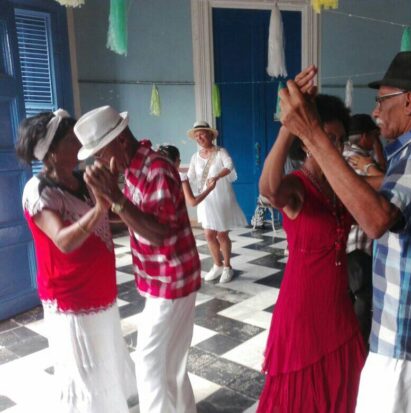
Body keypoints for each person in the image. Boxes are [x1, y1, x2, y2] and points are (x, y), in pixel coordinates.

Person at [278, 52, 411, 413]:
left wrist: (311, 132)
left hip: (407, 334)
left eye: (382, 100)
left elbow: (376, 220)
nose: (377, 111)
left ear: (410, 101)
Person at [74, 106, 201, 413]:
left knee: (148, 362)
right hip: (165, 278)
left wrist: (116, 199)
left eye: (99, 154)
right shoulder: (134, 168)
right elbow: (135, 219)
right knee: (172, 365)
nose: (98, 162)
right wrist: (105, 205)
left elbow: (158, 233)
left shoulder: (155, 168)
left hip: (172, 280)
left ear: (118, 141)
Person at [16, 109, 136, 412]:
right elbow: (63, 241)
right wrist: (100, 208)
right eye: (72, 142)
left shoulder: (83, 178)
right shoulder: (39, 190)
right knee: (84, 373)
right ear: (51, 152)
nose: (79, 148)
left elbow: (108, 218)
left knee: (105, 365)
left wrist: (125, 210)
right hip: (70, 299)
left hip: (101, 293)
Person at [258, 94, 366, 412]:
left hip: (338, 303)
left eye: (340, 139)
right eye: (327, 137)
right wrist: (287, 127)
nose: (335, 145)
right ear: (306, 142)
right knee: (300, 395)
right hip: (302, 307)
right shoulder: (297, 185)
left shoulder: (341, 184)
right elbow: (268, 189)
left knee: (343, 386)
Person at [342, 114, 386, 347]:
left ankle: (348, 339)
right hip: (359, 240)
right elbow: (386, 183)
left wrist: (376, 143)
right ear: (366, 136)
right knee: (363, 294)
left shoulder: (342, 154)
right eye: (375, 136)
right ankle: (361, 345)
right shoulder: (360, 159)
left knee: (350, 291)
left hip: (345, 238)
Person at [186, 121, 246, 283]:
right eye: (196, 135)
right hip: (205, 198)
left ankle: (227, 266)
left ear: (210, 135)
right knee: (208, 233)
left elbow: (229, 165)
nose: (199, 137)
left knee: (221, 233)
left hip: (221, 197)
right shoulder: (194, 157)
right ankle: (217, 264)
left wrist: (217, 177)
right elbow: (190, 176)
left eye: (202, 134)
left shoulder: (220, 152)